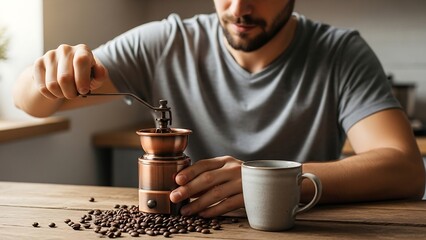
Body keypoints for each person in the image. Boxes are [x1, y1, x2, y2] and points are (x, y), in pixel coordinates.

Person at [13, 0, 425, 218]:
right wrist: (47, 73)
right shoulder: (163, 42)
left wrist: (269, 183)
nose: (238, 8)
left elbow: (404, 168)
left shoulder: (340, 53)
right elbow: (30, 104)